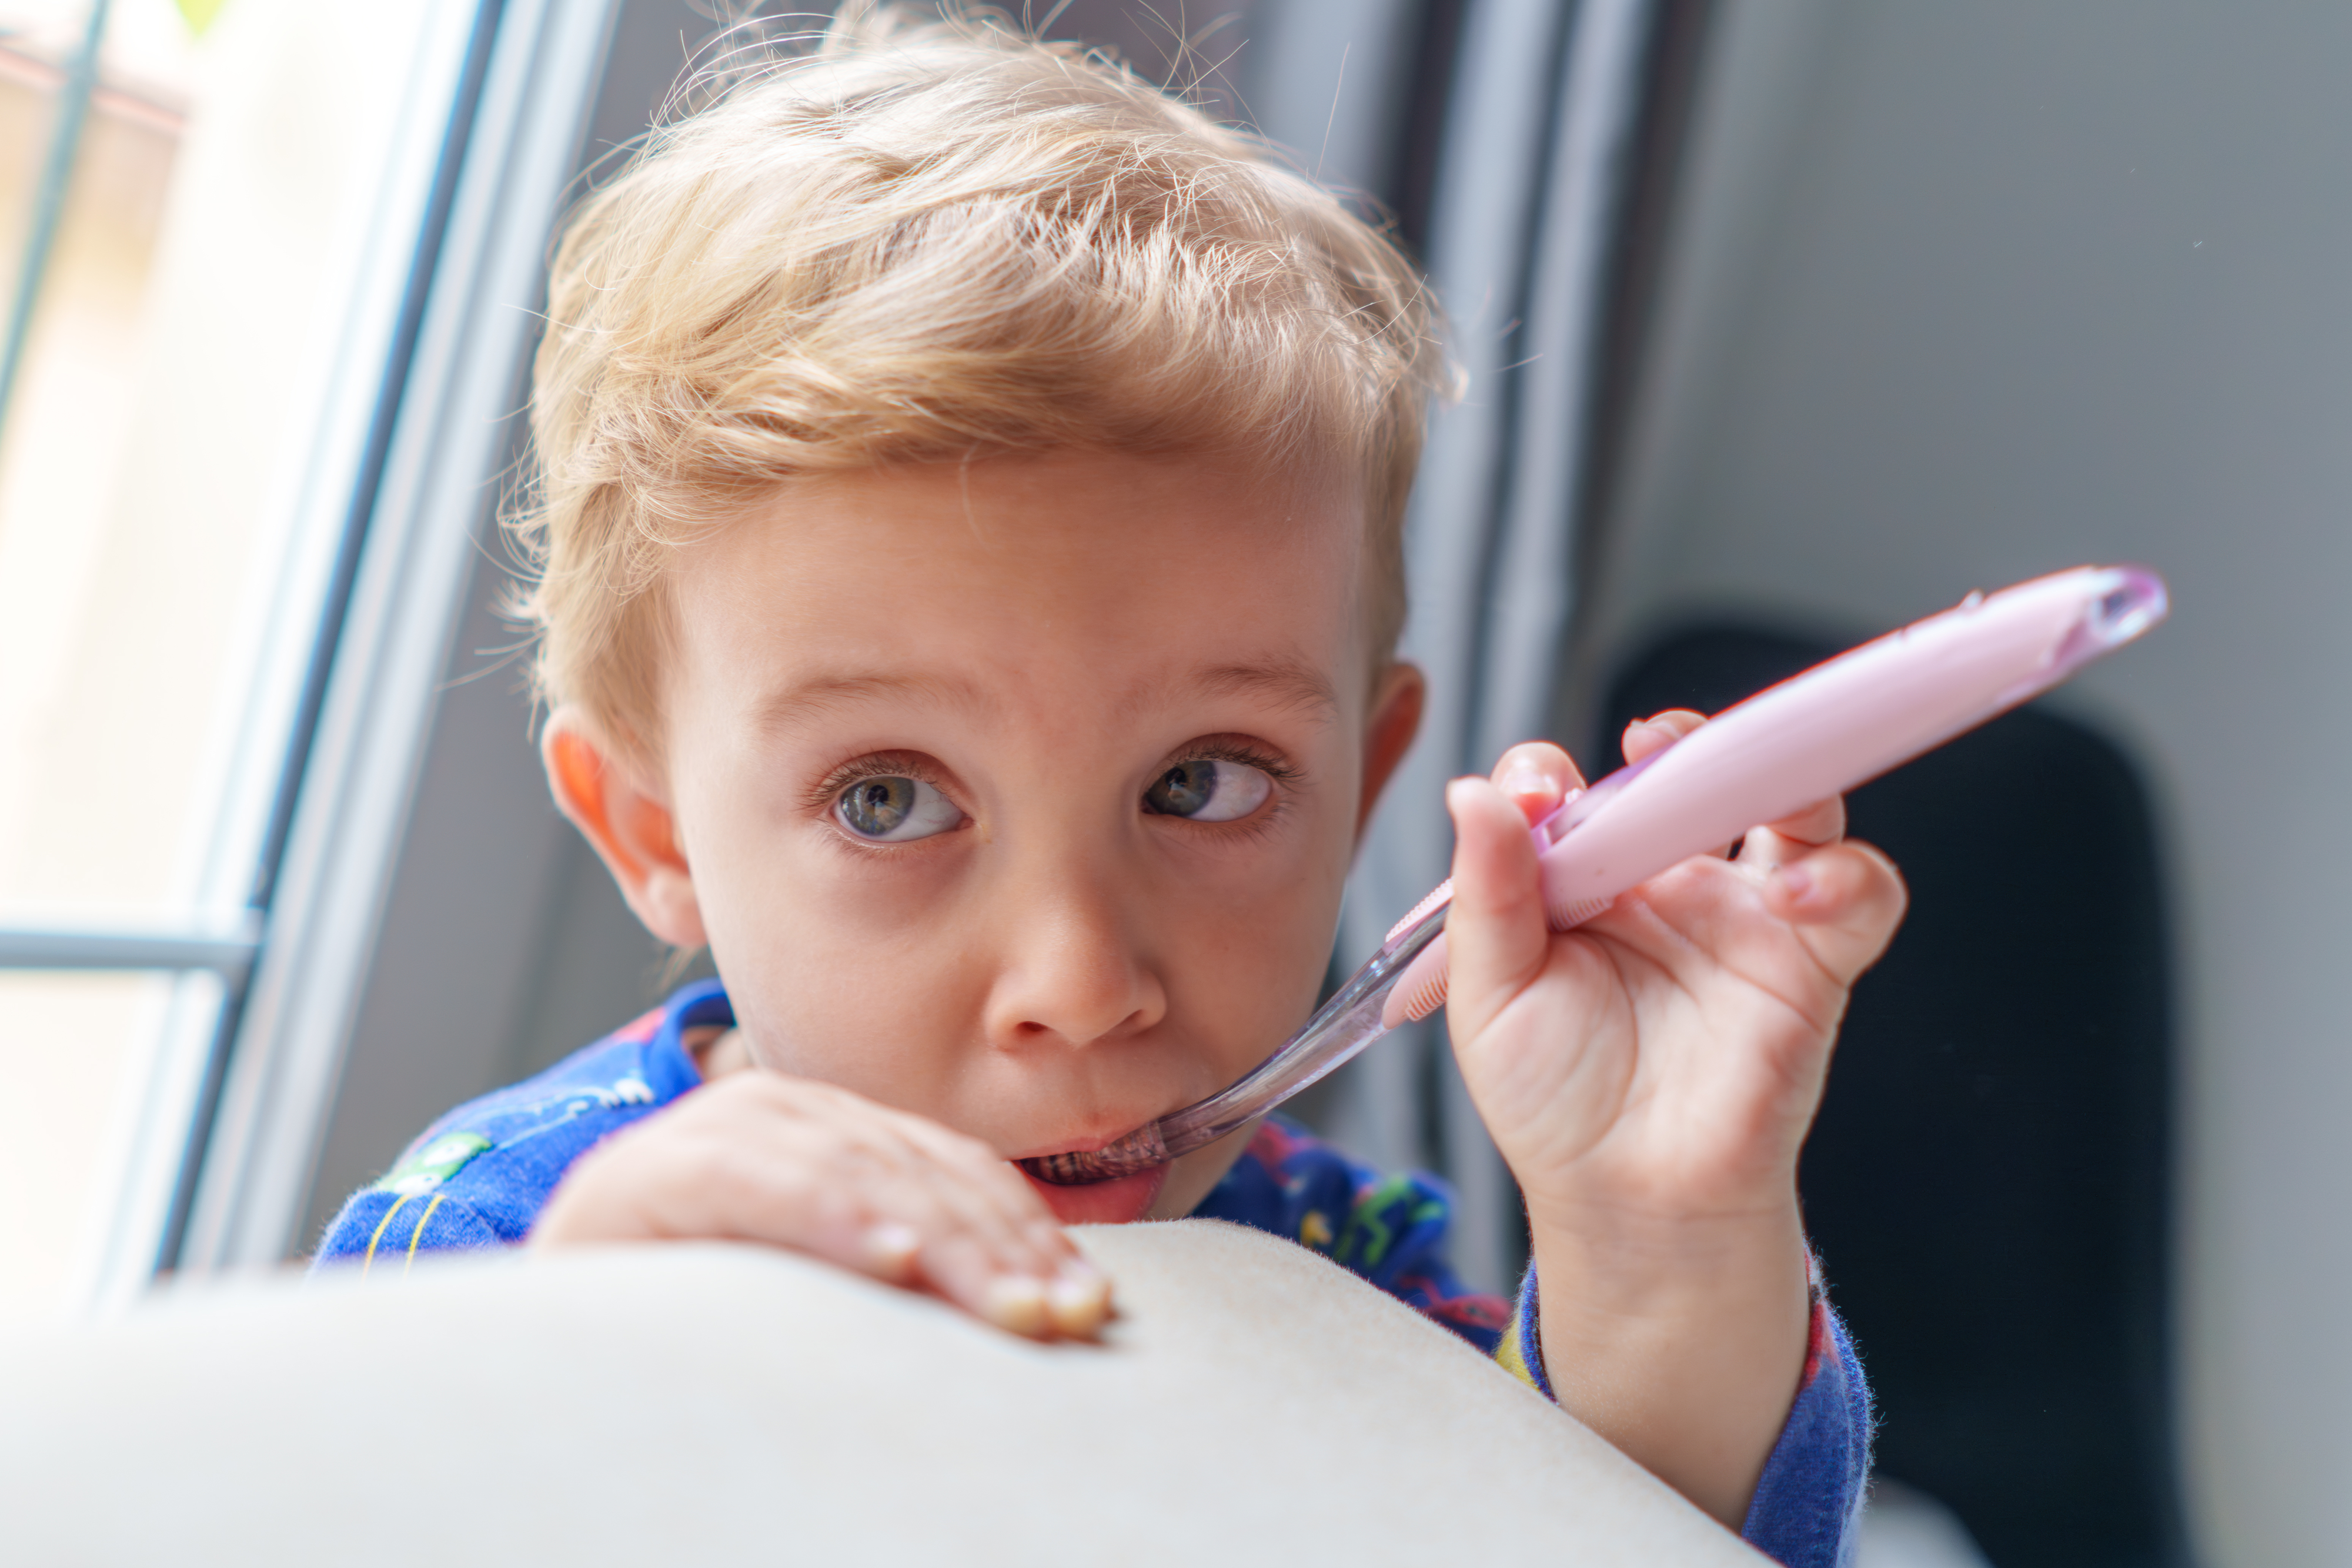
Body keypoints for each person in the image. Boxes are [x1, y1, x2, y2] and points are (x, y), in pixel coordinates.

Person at [316, 8, 1903, 1562]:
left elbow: (1601, 1528)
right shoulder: (503, 1242)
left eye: (1203, 783)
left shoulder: (1335, 1272)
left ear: (1365, 792)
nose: (1081, 984)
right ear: (653, 828)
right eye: (889, 798)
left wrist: (1664, 1240)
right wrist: (588, 1378)